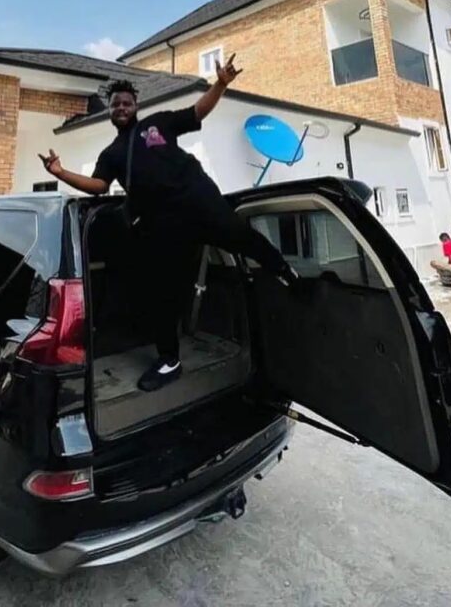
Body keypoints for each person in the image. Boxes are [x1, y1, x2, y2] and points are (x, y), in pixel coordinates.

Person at [39, 54, 293, 392]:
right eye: (116, 104)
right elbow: (98, 186)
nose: (121, 108)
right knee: (162, 293)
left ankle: (285, 272)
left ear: (136, 105)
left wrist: (220, 84)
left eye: (127, 103)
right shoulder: (111, 154)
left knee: (241, 236)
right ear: (110, 111)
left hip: (198, 201)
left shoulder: (157, 123)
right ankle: (169, 360)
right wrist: (60, 173)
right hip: (164, 225)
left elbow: (197, 112)